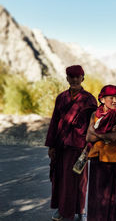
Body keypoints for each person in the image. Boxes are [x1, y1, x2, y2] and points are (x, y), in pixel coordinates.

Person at [45, 65, 97, 221]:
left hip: (80, 147)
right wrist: (51, 145)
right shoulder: (61, 98)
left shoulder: (89, 99)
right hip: (61, 146)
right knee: (61, 179)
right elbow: (54, 121)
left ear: (83, 78)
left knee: (80, 180)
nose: (74, 80)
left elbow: (94, 126)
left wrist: (89, 148)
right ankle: (62, 210)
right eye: (71, 77)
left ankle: (81, 211)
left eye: (77, 77)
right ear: (67, 78)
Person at [86, 84, 116, 221]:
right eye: (112, 97)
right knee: (97, 196)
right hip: (96, 160)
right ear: (102, 99)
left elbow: (112, 137)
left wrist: (96, 132)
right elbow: (88, 137)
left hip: (113, 161)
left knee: (113, 198)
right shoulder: (95, 114)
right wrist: (103, 133)